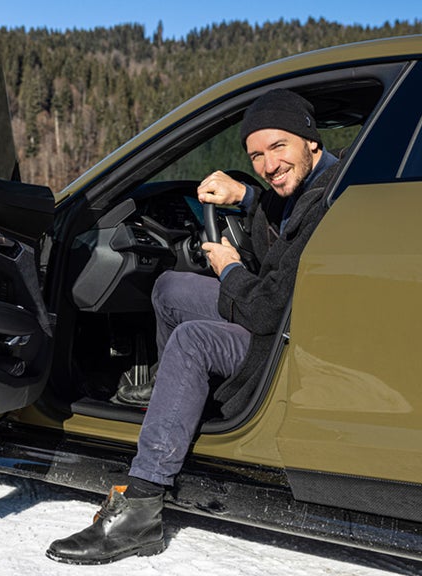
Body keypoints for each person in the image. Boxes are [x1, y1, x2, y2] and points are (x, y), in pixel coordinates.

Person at [46, 89, 340, 565]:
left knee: (192, 339)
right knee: (171, 287)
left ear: (310, 140)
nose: (269, 164)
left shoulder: (325, 202)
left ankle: (141, 506)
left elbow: (266, 310)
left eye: (279, 147)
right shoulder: (316, 185)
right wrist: (244, 196)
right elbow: (280, 221)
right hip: (277, 317)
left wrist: (227, 266)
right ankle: (171, 391)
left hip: (283, 343)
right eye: (257, 155)